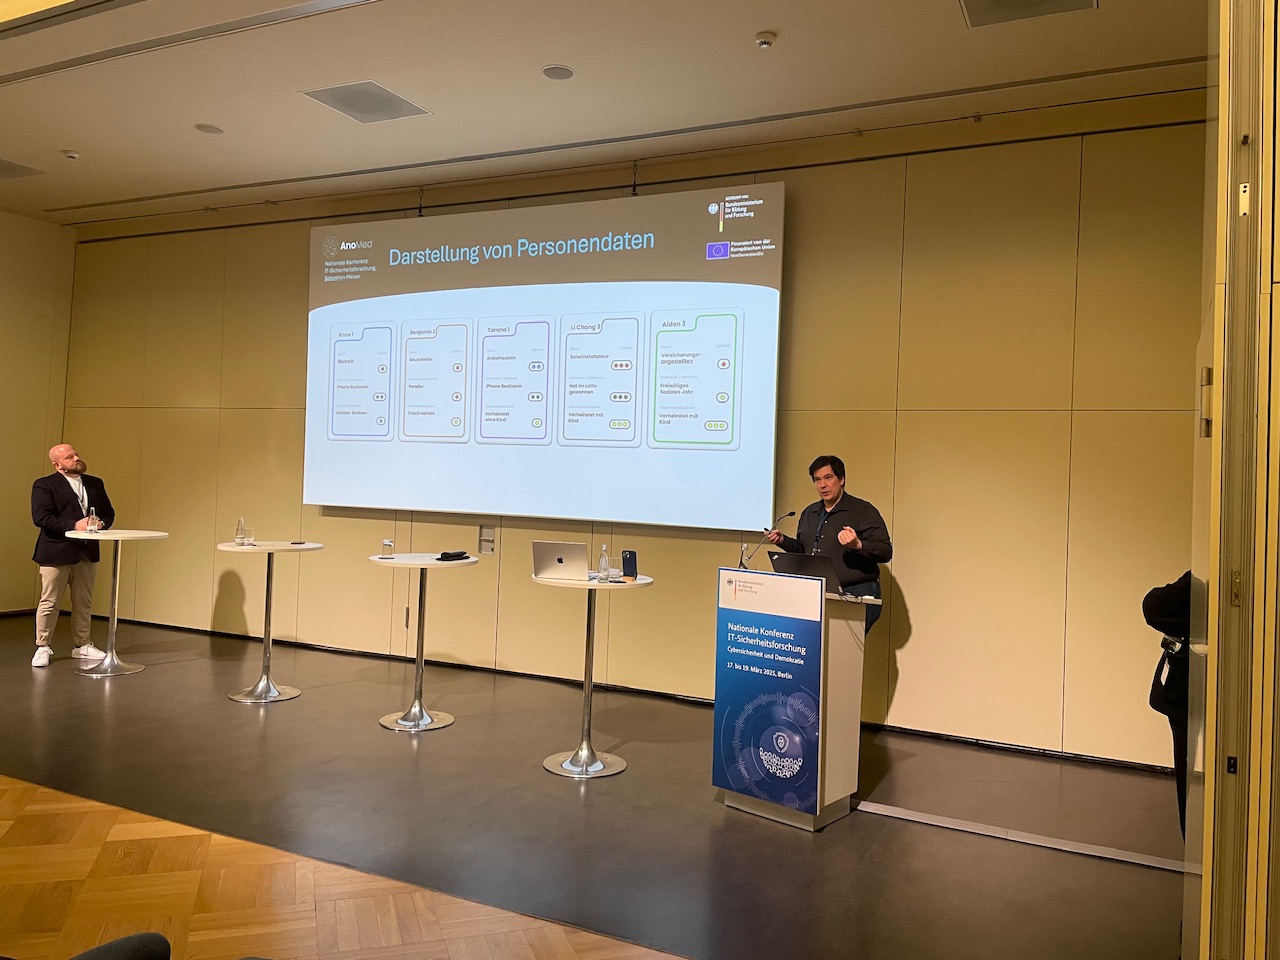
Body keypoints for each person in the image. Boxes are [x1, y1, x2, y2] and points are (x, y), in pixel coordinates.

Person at [766, 454, 892, 630]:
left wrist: (858, 545)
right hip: (818, 594)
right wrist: (783, 541)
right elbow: (805, 552)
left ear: (841, 479)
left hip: (856, 594)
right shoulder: (810, 513)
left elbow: (885, 551)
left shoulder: (863, 510)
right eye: (817, 480)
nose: (823, 485)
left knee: (842, 647)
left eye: (828, 478)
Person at [31, 443, 115, 667]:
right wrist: (74, 525)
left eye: (76, 454)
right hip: (55, 552)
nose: (76, 458)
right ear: (58, 465)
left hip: (87, 552)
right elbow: (41, 517)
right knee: (50, 602)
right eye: (69, 457)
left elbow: (108, 512)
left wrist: (101, 523)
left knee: (84, 602)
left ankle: (82, 645)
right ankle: (43, 646)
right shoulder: (45, 485)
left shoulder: (95, 483)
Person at [1143, 570, 1191, 837]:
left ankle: (1197, 848)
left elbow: (1154, 606)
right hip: (1185, 693)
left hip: (1187, 694)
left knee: (1189, 774)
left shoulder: (1209, 574)